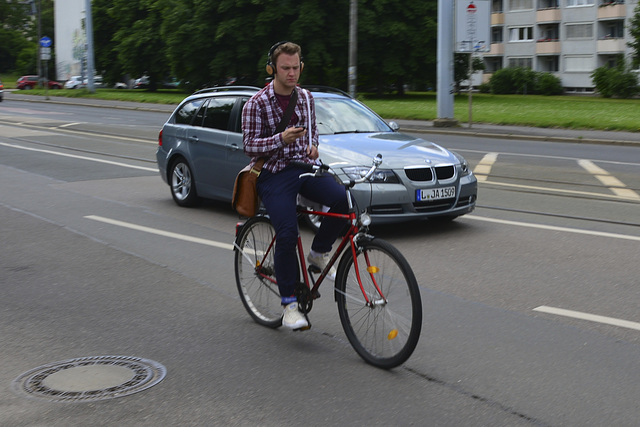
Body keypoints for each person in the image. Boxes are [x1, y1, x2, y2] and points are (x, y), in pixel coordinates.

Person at [242, 41, 348, 330]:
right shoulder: (257, 103)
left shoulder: (306, 98)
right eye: (285, 68)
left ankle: (318, 253)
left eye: (296, 67)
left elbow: (314, 132)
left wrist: (313, 146)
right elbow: (249, 147)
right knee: (288, 233)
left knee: (342, 201)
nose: (292, 73)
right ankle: (289, 305)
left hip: (303, 168)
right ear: (272, 69)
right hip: (273, 174)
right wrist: (280, 139)